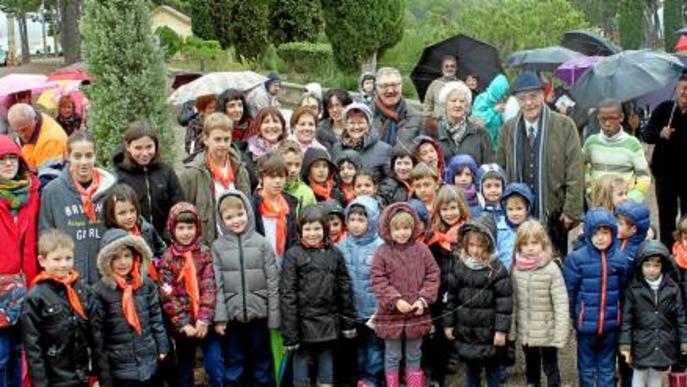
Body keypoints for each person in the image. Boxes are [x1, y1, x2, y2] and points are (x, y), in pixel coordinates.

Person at [496, 71, 584, 256]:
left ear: (543, 95)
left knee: (554, 265)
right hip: (517, 216)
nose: (528, 103)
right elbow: (500, 170)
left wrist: (570, 210)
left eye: (533, 96)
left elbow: (575, 171)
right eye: (522, 98)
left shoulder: (564, 126)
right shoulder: (508, 129)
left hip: (553, 213)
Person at [280, 205, 356, 387]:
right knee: (301, 362)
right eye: (307, 229)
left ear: (325, 229)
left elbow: (344, 288)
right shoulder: (293, 255)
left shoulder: (335, 253)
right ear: (300, 231)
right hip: (302, 322)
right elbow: (287, 294)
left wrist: (348, 322)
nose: (312, 233)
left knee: (326, 361)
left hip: (328, 322)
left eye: (317, 228)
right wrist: (290, 332)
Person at [212, 191, 279, 387]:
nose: (236, 220)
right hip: (233, 319)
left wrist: (274, 317)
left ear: (248, 213)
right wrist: (220, 318)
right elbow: (217, 286)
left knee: (262, 361)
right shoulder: (218, 247)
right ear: (221, 220)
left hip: (259, 316)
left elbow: (273, 282)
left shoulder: (262, 243)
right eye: (229, 217)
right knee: (235, 361)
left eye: (240, 214)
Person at [371, 203, 440, 387]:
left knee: (414, 352)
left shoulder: (422, 250)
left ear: (414, 228)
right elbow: (378, 279)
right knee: (393, 354)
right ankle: (392, 384)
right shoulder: (382, 252)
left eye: (406, 228)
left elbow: (433, 275)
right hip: (391, 314)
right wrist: (395, 300)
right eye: (397, 229)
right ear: (388, 229)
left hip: (417, 313)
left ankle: (414, 384)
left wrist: (423, 300)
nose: (402, 233)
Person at [22, 229, 102, 387]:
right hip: (54, 379)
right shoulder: (35, 297)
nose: (63, 264)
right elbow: (33, 349)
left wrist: (101, 376)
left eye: (68, 258)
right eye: (57, 259)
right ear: (42, 261)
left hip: (82, 375)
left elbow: (96, 336)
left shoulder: (83, 290)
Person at [92, 229, 169, 386]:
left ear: (136, 256)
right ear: (107, 261)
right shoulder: (100, 291)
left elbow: (156, 317)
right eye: (116, 257)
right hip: (120, 366)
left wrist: (162, 345)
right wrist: (102, 371)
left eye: (127, 256)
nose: (123, 262)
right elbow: (98, 334)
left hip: (148, 359)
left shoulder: (145, 284)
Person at [442, 215, 512, 387]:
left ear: (489, 244)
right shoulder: (459, 266)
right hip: (466, 332)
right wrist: (448, 324)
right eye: (471, 245)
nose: (475, 250)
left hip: (489, 334)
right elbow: (451, 298)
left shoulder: (497, 269)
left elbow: (504, 303)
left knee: (492, 370)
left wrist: (501, 331)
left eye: (480, 246)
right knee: (471, 371)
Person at [39, 131, 117, 284]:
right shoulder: (53, 191)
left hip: (104, 275)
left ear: (96, 155)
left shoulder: (110, 189)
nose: (84, 162)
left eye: (89, 156)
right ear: (67, 156)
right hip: (67, 275)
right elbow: (45, 233)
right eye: (77, 156)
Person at [563, 208, 628, 387]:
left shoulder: (620, 259)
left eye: (605, 232)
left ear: (613, 233)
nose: (600, 237)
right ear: (589, 233)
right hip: (586, 326)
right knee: (586, 367)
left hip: (610, 324)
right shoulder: (576, 260)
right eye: (596, 232)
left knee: (607, 367)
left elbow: (623, 291)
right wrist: (574, 318)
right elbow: (570, 292)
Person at [158, 202, 219, 387]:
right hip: (183, 327)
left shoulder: (205, 253)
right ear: (172, 229)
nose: (186, 233)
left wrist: (204, 319)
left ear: (197, 228)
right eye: (181, 228)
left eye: (190, 227)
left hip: (205, 323)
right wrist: (183, 323)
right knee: (185, 370)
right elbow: (168, 294)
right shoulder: (168, 259)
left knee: (215, 364)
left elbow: (209, 286)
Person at [619, 240, 687, 387]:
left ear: (663, 266)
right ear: (640, 266)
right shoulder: (633, 288)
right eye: (647, 265)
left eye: (656, 265)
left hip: (664, 342)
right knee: (638, 377)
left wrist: (684, 340)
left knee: (656, 378)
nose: (652, 269)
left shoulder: (672, 288)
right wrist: (625, 344)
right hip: (641, 343)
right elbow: (627, 320)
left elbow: (680, 318)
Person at [179, 112, 251, 247]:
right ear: (206, 139)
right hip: (207, 247)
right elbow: (183, 216)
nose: (222, 145)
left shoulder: (240, 170)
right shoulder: (192, 174)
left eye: (226, 139)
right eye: (217, 139)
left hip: (237, 243)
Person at [511, 220, 569, 387]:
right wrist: (512, 331)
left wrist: (560, 332)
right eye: (525, 244)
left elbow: (561, 303)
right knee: (531, 365)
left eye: (534, 243)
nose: (530, 248)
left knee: (550, 366)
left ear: (543, 243)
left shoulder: (551, 269)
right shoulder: (516, 270)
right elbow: (514, 302)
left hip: (547, 330)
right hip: (527, 330)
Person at [0, 135, 39, 385]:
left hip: (27, 283)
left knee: (18, 352)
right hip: (1, 287)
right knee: (0, 356)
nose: (7, 164)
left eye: (12, 158)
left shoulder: (32, 192)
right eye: (1, 160)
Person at [424, 185, 470, 386]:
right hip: (441, 296)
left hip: (464, 294)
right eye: (444, 209)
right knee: (440, 338)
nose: (450, 213)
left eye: (453, 208)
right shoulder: (433, 239)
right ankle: (437, 376)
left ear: (461, 207)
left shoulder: (469, 234)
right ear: (437, 211)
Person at [113, 120, 185, 241]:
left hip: (166, 241)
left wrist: (169, 235)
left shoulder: (166, 172)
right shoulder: (118, 176)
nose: (145, 153)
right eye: (138, 148)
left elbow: (179, 206)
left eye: (149, 147)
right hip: (132, 241)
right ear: (127, 147)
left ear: (155, 145)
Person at [338, 196, 384, 387]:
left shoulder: (381, 247)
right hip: (352, 311)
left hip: (374, 312)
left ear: (372, 220)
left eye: (361, 219)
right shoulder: (342, 246)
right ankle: (358, 378)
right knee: (357, 349)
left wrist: (381, 309)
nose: (355, 224)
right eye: (352, 219)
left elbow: (386, 281)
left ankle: (371, 379)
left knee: (374, 348)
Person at [642, 73, 687, 246]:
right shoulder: (664, 109)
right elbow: (647, 134)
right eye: (682, 89)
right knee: (666, 217)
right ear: (676, 89)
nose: (685, 93)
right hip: (665, 174)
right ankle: (667, 251)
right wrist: (660, 133)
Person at [583, 99, 651, 202]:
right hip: (599, 206)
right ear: (598, 117)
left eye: (612, 118)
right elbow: (582, 167)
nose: (607, 123)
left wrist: (632, 199)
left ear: (621, 117)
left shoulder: (632, 144)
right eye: (603, 119)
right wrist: (589, 190)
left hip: (624, 208)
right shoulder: (591, 143)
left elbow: (644, 176)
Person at [252, 152, 299, 264]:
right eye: (272, 177)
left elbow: (293, 238)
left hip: (284, 262)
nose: (277, 181)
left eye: (281, 176)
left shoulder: (289, 203)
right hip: (261, 263)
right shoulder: (253, 204)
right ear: (260, 178)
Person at [433, 81, 494, 167]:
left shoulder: (480, 132)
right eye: (453, 101)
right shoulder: (433, 130)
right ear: (445, 104)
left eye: (462, 101)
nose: (458, 105)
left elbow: (489, 166)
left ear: (467, 105)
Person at [103, 183, 167, 263]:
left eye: (132, 210)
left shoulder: (147, 229)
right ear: (112, 215)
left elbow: (161, 248)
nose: (129, 216)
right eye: (122, 213)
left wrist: (159, 263)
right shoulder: (110, 239)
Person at [331, 102, 392, 182]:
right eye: (352, 123)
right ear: (346, 125)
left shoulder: (384, 149)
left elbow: (390, 181)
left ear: (369, 125)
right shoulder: (337, 148)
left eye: (360, 122)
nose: (356, 127)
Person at [7, 103, 67, 176]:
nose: (21, 135)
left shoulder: (51, 139)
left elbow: (48, 178)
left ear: (35, 120)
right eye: (16, 131)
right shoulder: (28, 121)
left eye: (24, 130)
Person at [372, 67, 424, 146]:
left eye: (394, 85)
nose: (390, 90)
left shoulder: (418, 118)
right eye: (384, 86)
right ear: (376, 88)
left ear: (401, 86)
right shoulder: (366, 117)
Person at [496, 183, 535, 271]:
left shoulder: (534, 229)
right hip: (504, 276)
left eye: (519, 208)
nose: (515, 213)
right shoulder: (499, 230)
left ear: (527, 209)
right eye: (510, 209)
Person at [278, 140, 317, 215]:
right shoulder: (267, 188)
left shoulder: (307, 193)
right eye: (288, 164)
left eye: (297, 165)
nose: (293, 170)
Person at [471, 74, 510, 149]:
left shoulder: (498, 101)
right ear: (497, 89)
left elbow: (501, 124)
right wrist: (494, 110)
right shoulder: (482, 99)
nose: (504, 95)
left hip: (495, 146)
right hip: (481, 144)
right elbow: (476, 120)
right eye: (503, 91)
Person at [424, 55, 459, 119]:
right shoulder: (435, 84)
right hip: (437, 121)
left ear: (456, 68)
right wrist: (430, 116)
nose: (449, 69)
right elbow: (428, 102)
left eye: (452, 66)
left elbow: (466, 105)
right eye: (446, 66)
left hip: (456, 123)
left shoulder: (461, 85)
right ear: (442, 68)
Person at [409, 162, 441, 226]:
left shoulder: (445, 204)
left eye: (427, 185)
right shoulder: (410, 208)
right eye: (418, 186)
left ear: (437, 184)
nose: (422, 190)